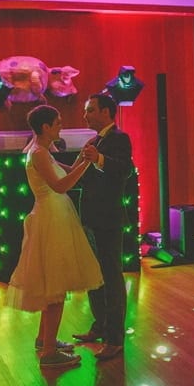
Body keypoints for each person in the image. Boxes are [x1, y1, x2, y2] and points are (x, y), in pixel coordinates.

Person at [7, 105, 104, 368]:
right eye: (58, 122)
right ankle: (50, 353)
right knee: (56, 289)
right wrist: (87, 165)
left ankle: (44, 339)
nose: (61, 125)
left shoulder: (42, 151)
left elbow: (66, 169)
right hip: (52, 220)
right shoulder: (38, 153)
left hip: (54, 216)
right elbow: (61, 185)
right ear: (46, 127)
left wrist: (85, 158)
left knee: (51, 284)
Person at [72, 93, 134, 361]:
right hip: (91, 218)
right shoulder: (94, 141)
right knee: (93, 275)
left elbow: (124, 169)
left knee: (111, 276)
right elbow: (80, 177)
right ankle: (99, 326)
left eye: (90, 110)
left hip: (109, 219)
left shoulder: (119, 139)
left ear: (108, 112)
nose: (85, 115)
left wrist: (98, 159)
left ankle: (115, 338)